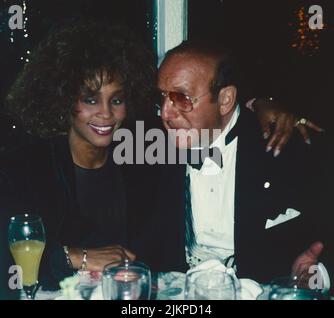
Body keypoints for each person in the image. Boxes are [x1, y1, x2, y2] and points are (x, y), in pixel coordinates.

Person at [129, 40, 332, 289]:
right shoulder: (146, 146)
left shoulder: (287, 145)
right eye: (161, 97)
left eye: (181, 98)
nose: (166, 114)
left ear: (225, 100)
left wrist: (318, 274)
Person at [0, 20, 155, 291]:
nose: (106, 113)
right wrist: (75, 256)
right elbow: (10, 260)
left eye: (116, 100)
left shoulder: (141, 160)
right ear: (63, 99)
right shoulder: (25, 167)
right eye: (90, 100)